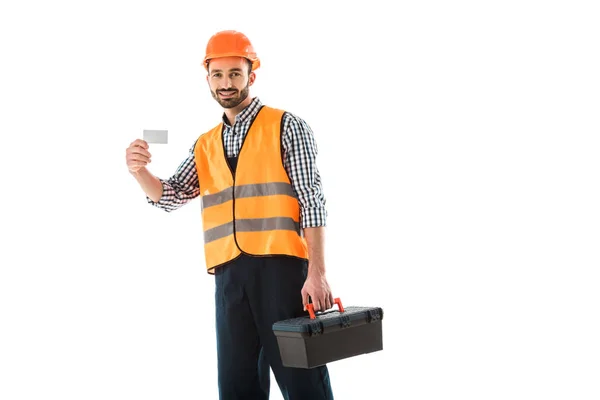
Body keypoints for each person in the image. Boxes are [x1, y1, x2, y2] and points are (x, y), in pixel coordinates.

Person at [125, 30, 335, 400]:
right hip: (229, 279)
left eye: (235, 73)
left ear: (251, 76)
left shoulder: (287, 126)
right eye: (218, 75)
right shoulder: (205, 144)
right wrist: (140, 172)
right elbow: (171, 194)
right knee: (237, 388)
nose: (226, 83)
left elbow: (312, 201)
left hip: (282, 275)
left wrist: (316, 274)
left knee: (303, 384)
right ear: (207, 78)